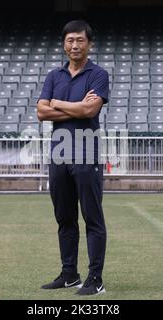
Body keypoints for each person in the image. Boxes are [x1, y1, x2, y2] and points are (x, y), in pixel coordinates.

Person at [37, 20, 109, 296]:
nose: (74, 45)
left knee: (92, 217)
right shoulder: (54, 76)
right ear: (64, 44)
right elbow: (41, 113)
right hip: (58, 153)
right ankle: (69, 275)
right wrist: (76, 108)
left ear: (89, 44)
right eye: (70, 40)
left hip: (86, 151)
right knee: (64, 217)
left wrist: (57, 103)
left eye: (80, 40)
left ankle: (95, 279)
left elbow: (90, 111)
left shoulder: (98, 74)